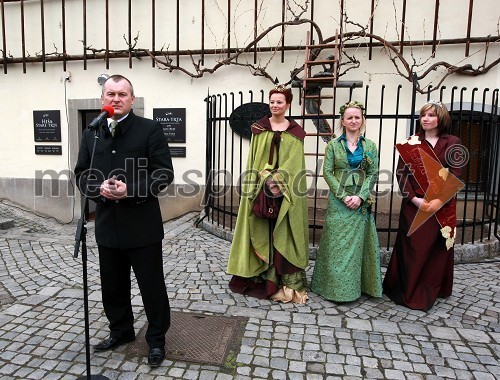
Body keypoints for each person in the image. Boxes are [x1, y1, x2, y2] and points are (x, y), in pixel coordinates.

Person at [74, 74, 174, 367]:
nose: (115, 99)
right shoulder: (91, 133)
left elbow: (163, 174)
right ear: (102, 99)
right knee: (112, 287)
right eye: (110, 94)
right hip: (107, 227)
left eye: (122, 94)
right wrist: (98, 189)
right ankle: (121, 331)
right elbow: (81, 173)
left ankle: (156, 340)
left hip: (142, 227)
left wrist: (130, 190)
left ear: (132, 99)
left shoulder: (149, 130)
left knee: (151, 288)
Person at [227, 85, 309, 303]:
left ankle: (285, 282)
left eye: (279, 102)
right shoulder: (259, 130)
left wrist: (279, 180)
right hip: (261, 190)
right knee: (261, 227)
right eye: (272, 101)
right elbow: (254, 160)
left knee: (285, 232)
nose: (275, 105)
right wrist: (264, 179)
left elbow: (295, 164)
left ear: (288, 105)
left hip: (286, 192)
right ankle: (260, 277)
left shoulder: (296, 133)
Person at [383, 100, 462, 311]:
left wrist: (437, 201)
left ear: (441, 118)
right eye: (423, 115)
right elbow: (402, 174)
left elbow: (456, 173)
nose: (426, 119)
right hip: (414, 205)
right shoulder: (411, 142)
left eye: (431, 115)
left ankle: (433, 288)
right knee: (412, 248)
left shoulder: (453, 142)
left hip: (441, 207)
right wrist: (416, 199)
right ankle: (404, 289)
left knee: (436, 249)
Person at [310, 100, 382, 302]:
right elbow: (327, 172)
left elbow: (373, 172)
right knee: (336, 244)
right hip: (339, 202)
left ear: (362, 120)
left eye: (357, 117)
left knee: (357, 246)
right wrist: (343, 195)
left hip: (360, 202)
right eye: (349, 117)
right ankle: (331, 288)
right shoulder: (333, 145)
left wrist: (360, 196)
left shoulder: (370, 146)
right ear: (342, 120)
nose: (353, 120)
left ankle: (353, 288)